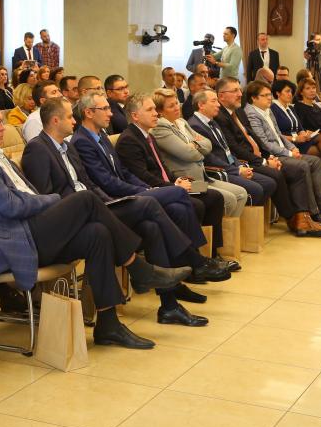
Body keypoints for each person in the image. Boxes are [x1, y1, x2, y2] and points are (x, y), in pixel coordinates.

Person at [0, 99, 189, 348]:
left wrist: (43, 202)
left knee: (97, 233)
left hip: (27, 229)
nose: (3, 128)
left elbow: (22, 198)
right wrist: (52, 199)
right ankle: (138, 268)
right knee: (85, 199)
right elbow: (12, 206)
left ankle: (108, 325)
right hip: (8, 241)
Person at [21, 98, 208, 319]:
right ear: (55, 120)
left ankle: (169, 306)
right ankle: (193, 260)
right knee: (151, 202)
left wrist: (108, 202)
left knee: (151, 227)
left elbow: (88, 184)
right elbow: (46, 198)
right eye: (70, 117)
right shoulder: (37, 149)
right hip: (76, 216)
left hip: (98, 206)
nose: (74, 121)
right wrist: (89, 205)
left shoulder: (68, 146)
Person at [70, 92, 234, 283]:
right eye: (105, 108)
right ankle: (197, 261)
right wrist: (144, 191)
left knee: (177, 208)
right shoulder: (82, 141)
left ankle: (182, 274)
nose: (111, 113)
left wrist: (145, 188)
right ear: (89, 113)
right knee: (178, 192)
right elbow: (107, 182)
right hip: (113, 201)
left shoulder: (101, 136)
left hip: (130, 194)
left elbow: (124, 173)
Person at [190, 89, 321, 237]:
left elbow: (231, 149)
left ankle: (303, 217)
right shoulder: (198, 124)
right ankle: (289, 220)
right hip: (216, 172)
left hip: (238, 162)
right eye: (214, 101)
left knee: (294, 170)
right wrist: (240, 168)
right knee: (270, 180)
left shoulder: (217, 120)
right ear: (201, 105)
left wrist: (262, 159)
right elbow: (214, 155)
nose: (218, 105)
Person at [116, 94, 233, 272]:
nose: (156, 113)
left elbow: (162, 167)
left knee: (214, 196)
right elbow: (142, 175)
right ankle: (192, 261)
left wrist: (175, 180)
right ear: (135, 116)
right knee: (195, 205)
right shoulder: (129, 140)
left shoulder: (148, 135)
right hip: (156, 190)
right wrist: (173, 186)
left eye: (155, 109)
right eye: (150, 110)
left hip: (170, 184)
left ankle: (212, 254)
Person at [237, 77, 321, 225]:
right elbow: (264, 143)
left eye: (269, 94)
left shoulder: (267, 110)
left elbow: (279, 135)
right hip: (272, 155)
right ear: (253, 98)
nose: (269, 98)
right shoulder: (251, 113)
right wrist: (289, 153)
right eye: (265, 95)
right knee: (302, 165)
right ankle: (312, 213)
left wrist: (292, 148)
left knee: (315, 161)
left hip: (283, 150)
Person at [150, 89, 247, 217]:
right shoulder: (160, 127)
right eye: (171, 106)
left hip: (202, 176)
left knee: (241, 193)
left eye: (177, 103)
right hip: (188, 181)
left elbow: (208, 144)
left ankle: (225, 228)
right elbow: (188, 153)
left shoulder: (182, 122)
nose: (177, 107)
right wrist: (198, 148)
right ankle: (217, 229)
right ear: (160, 111)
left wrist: (193, 145)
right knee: (229, 198)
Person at [271, 79, 321, 174]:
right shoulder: (273, 109)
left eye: (291, 92)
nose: (290, 94)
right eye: (287, 91)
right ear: (277, 93)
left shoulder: (290, 108)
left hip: (299, 141)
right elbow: (276, 134)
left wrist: (304, 134)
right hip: (288, 144)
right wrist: (295, 138)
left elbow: (300, 128)